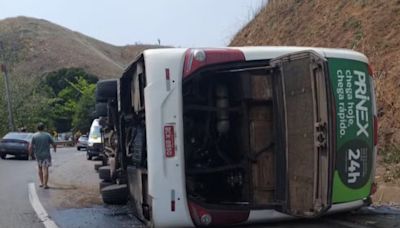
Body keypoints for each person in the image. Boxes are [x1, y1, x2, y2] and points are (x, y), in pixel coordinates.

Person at [29, 123, 57, 189]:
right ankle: (45, 184)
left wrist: (30, 155)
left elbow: (30, 146)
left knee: (40, 168)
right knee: (45, 168)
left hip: (38, 155)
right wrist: (54, 149)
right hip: (46, 155)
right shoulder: (47, 135)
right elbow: (54, 143)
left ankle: (42, 183)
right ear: (44, 128)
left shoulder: (34, 136)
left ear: (37, 128)